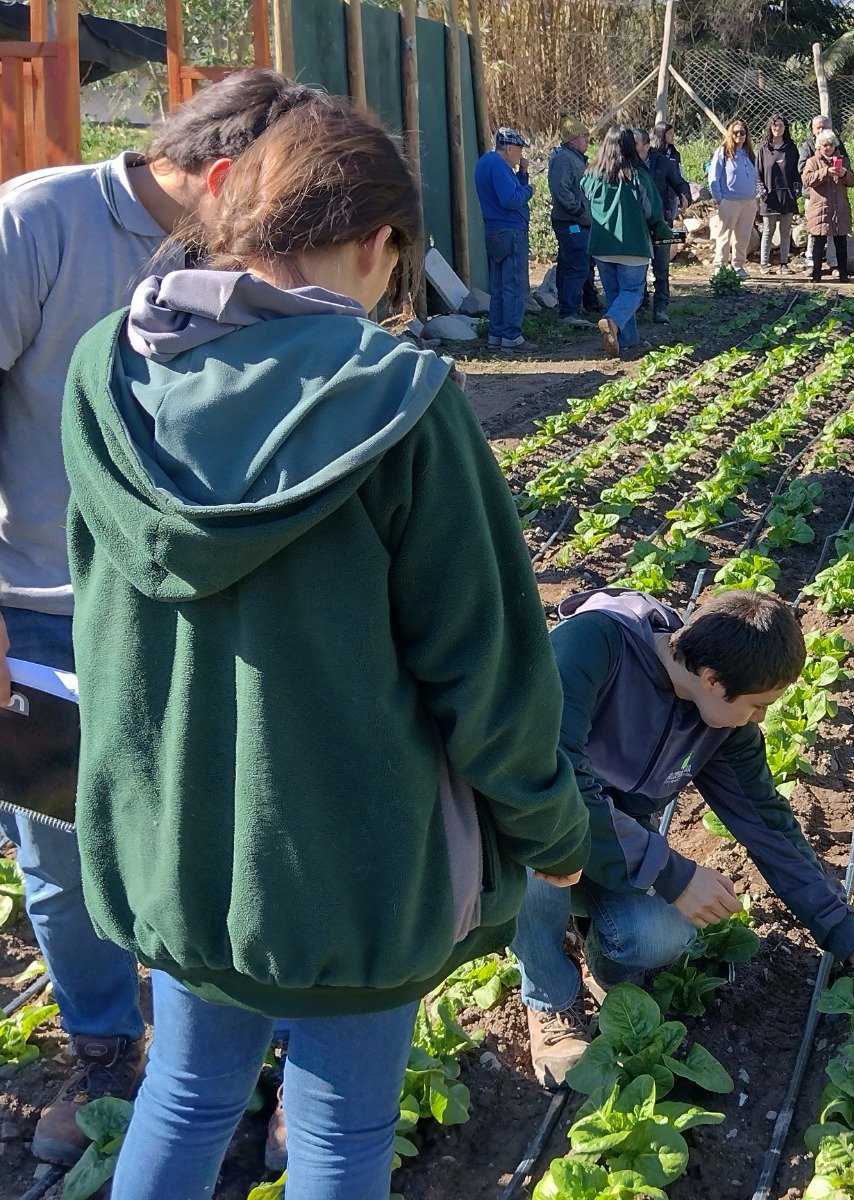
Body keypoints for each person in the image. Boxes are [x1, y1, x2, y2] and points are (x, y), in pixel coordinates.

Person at [60, 98, 588, 1200]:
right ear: (376, 243)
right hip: (352, 871)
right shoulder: (398, 401)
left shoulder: (106, 372)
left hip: (179, 852)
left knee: (188, 1094)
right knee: (343, 1133)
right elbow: (486, 672)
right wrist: (553, 832)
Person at [0, 68, 333, 1168]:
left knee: (237, 825)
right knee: (59, 840)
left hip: (186, 596)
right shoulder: (39, 222)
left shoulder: (234, 249)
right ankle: (106, 1052)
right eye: (276, 197)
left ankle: (272, 1056)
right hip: (42, 604)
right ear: (224, 174)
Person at [511, 588, 854, 1086]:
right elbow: (547, 778)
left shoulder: (721, 727)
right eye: (757, 705)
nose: (760, 719)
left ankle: (603, 965)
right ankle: (549, 998)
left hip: (611, 846)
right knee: (540, 853)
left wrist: (853, 943)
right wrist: (672, 874)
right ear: (711, 679)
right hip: (526, 825)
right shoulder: (593, 647)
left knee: (658, 935)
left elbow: (769, 826)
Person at [584, 127, 673, 357]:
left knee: (615, 294)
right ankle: (612, 322)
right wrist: (664, 232)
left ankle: (628, 340)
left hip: (602, 247)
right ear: (628, 147)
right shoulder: (637, 176)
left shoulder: (592, 175)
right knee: (633, 292)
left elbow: (585, 195)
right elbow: (653, 212)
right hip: (633, 245)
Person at [474, 126, 533, 349]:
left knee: (499, 286)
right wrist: (530, 190)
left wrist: (522, 175)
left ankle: (496, 335)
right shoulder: (499, 165)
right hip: (511, 232)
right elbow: (509, 199)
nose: (521, 154)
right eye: (519, 149)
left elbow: (505, 191)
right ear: (509, 148)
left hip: (494, 231)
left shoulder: (485, 162)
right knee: (515, 286)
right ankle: (511, 336)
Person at [548, 116, 602, 327]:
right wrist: (579, 210)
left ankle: (574, 306)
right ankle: (569, 312)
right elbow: (560, 188)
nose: (587, 140)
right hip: (571, 221)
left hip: (578, 221)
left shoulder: (577, 158)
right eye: (583, 136)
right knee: (576, 264)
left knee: (573, 263)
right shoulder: (564, 159)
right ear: (572, 139)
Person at [642, 123, 691, 323]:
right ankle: (639, 304)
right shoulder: (628, 163)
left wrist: (684, 194)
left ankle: (660, 308)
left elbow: (678, 181)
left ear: (645, 144)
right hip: (637, 225)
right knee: (638, 269)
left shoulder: (662, 162)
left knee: (661, 267)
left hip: (661, 221)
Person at [801, 129, 854, 284]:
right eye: (825, 145)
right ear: (819, 146)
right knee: (818, 243)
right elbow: (807, 179)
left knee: (841, 242)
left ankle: (843, 275)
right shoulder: (812, 161)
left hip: (839, 207)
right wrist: (826, 172)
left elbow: (853, 180)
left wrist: (845, 174)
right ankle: (816, 275)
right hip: (820, 208)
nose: (828, 147)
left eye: (831, 144)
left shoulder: (843, 160)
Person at [706, 120, 758, 276]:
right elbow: (713, 176)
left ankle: (738, 265)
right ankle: (720, 266)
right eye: (736, 132)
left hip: (749, 201)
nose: (739, 135)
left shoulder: (749, 153)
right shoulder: (723, 152)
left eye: (742, 132)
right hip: (729, 200)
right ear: (730, 133)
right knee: (724, 235)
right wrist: (720, 199)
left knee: (743, 236)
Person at [757, 115, 801, 273]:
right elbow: (758, 173)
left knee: (785, 230)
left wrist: (796, 189)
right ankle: (764, 264)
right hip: (769, 196)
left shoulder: (791, 148)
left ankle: (784, 263)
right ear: (770, 128)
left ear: (785, 128)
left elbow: (797, 172)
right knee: (768, 231)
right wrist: (761, 190)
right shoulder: (763, 149)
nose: (778, 129)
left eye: (781, 126)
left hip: (787, 196)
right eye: (775, 126)